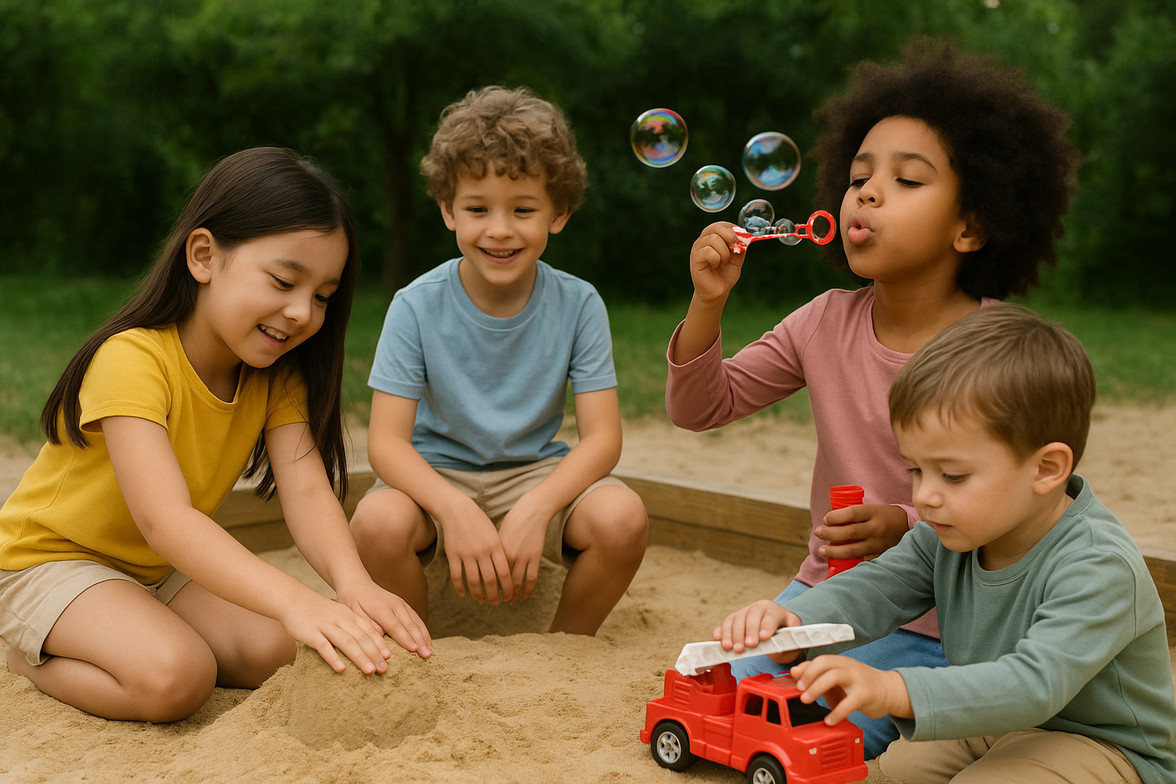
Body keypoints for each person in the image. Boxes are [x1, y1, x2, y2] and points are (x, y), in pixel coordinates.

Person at [664, 38, 1079, 756]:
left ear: (972, 224)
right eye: (858, 178)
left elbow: (1032, 504)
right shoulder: (824, 320)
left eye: (907, 181)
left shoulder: (997, 349)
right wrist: (708, 305)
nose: (869, 193)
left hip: (949, 624)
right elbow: (701, 408)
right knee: (724, 681)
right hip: (824, 600)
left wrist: (905, 523)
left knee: (829, 726)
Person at [0, 147, 433, 723]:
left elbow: (305, 491)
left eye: (323, 296)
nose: (302, 312)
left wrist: (355, 586)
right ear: (203, 256)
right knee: (178, 677)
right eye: (284, 280)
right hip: (50, 563)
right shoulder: (132, 358)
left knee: (289, 650)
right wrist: (296, 598)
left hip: (155, 568)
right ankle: (20, 657)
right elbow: (166, 519)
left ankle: (131, 623)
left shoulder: (276, 376)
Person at [716, 305, 1176, 784]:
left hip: (1102, 744)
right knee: (893, 771)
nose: (924, 496)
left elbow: (1035, 683)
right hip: (992, 718)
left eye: (952, 475)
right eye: (916, 470)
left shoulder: (1097, 563)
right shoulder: (948, 535)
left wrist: (894, 689)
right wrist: (798, 619)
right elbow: (877, 586)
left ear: (1045, 469)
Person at [350, 86, 648, 636]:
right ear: (447, 210)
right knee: (375, 522)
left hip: (538, 473)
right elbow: (386, 443)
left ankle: (566, 644)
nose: (500, 229)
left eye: (523, 209)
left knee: (622, 517)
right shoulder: (414, 306)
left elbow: (602, 439)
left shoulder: (579, 303)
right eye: (477, 208)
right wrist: (452, 509)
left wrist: (538, 507)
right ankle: (418, 641)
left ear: (558, 213)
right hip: (436, 473)